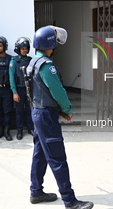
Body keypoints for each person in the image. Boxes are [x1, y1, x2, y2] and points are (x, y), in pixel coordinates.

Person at [28, 26, 93, 209]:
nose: (56, 46)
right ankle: (70, 201)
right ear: (50, 44)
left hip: (38, 111)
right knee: (57, 158)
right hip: (46, 115)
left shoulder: (33, 62)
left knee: (40, 154)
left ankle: (36, 192)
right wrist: (67, 108)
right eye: (55, 43)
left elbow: (37, 91)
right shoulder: (47, 66)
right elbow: (57, 91)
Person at [9, 37, 34, 140]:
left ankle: (30, 128)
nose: (25, 50)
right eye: (22, 48)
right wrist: (14, 92)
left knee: (30, 110)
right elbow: (11, 77)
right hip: (19, 89)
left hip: (29, 90)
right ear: (18, 49)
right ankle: (19, 130)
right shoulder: (14, 61)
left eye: (26, 48)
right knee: (19, 111)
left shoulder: (31, 60)